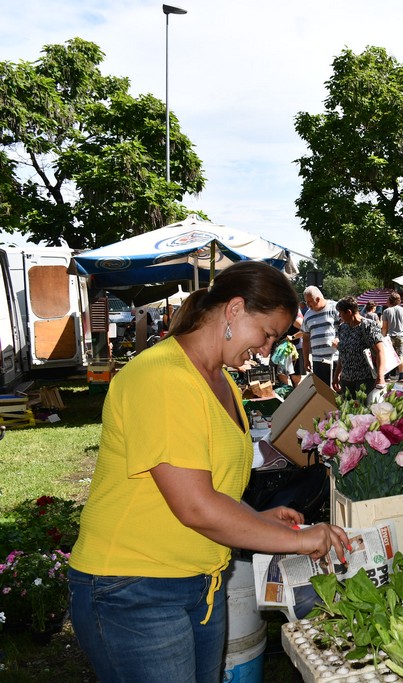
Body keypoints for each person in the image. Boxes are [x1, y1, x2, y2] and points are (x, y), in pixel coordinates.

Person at [69, 261, 350, 683]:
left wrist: (256, 520)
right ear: (234, 310)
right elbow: (196, 507)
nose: (268, 347)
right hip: (133, 587)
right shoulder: (163, 377)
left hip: (199, 582)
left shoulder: (222, 382)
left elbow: (210, 486)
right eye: (268, 333)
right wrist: (299, 540)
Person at [335, 296, 388, 401]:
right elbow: (342, 353)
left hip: (365, 380)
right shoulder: (343, 328)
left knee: (365, 414)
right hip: (346, 380)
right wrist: (336, 375)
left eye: (341, 313)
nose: (339, 316)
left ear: (349, 312)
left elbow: (380, 351)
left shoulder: (369, 326)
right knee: (348, 413)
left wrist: (380, 376)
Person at [300, 286, 340, 387]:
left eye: (310, 301)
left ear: (318, 299)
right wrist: (306, 360)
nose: (308, 305)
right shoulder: (308, 315)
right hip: (317, 360)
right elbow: (305, 338)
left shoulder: (335, 307)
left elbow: (346, 327)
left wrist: (338, 338)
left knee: (338, 391)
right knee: (322, 392)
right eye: (306, 302)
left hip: (335, 358)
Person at [380, 292, 403, 382]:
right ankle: (401, 376)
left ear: (390, 300)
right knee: (401, 356)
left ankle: (388, 376)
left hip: (389, 336)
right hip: (401, 335)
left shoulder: (386, 311)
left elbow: (384, 326)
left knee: (388, 356)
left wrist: (382, 337)